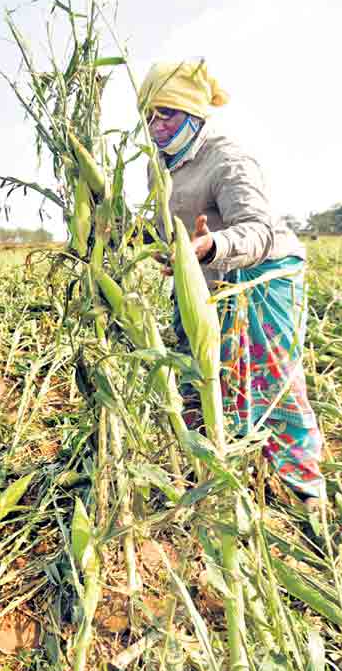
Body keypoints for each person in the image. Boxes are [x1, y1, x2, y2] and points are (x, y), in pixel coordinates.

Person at [138, 60, 325, 510]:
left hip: (261, 275)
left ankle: (304, 490)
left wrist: (213, 244)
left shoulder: (228, 159)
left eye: (167, 114)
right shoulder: (158, 167)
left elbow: (257, 231)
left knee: (270, 378)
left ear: (194, 115)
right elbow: (168, 229)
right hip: (204, 279)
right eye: (148, 115)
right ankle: (217, 469)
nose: (156, 125)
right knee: (198, 372)